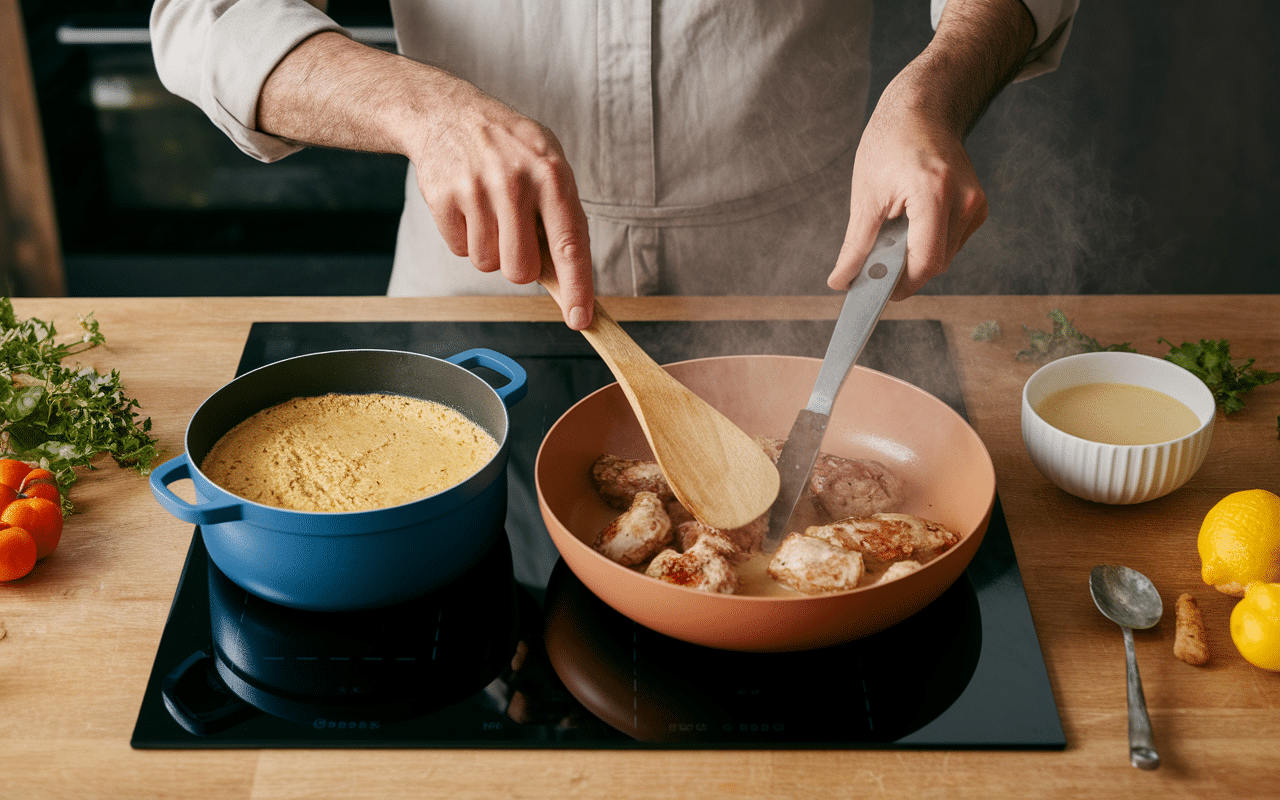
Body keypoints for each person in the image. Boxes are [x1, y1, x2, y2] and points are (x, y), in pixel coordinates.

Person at [150, 0, 1076, 331]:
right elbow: (209, 12)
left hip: (792, 274)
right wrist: (419, 108)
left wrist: (928, 96)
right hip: (483, 270)